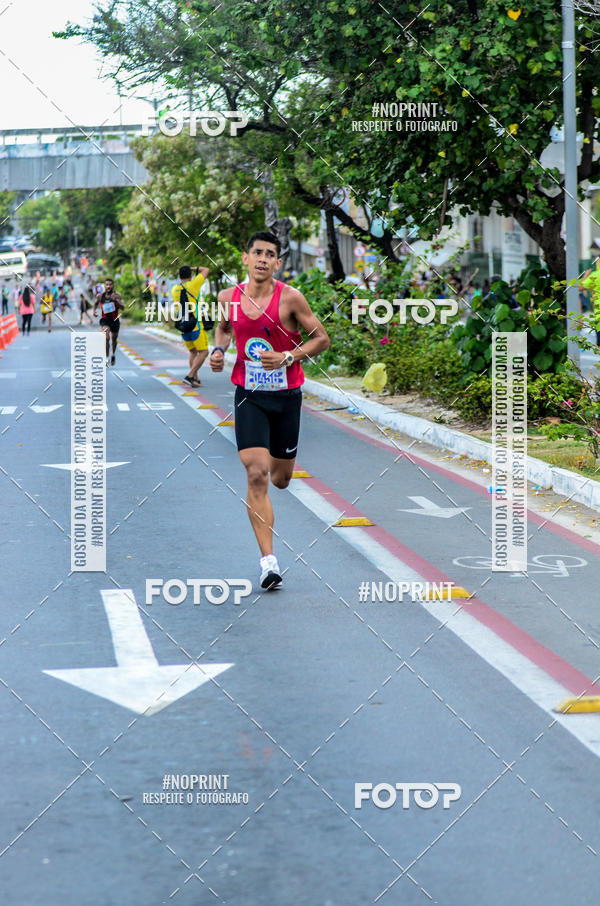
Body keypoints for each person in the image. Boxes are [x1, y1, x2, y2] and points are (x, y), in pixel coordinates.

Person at [210, 231, 330, 589]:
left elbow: (321, 338)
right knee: (257, 474)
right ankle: (268, 562)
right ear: (245, 258)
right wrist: (218, 351)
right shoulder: (227, 297)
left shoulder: (291, 298)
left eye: (270, 254)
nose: (262, 258)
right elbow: (223, 329)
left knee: (280, 479)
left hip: (287, 396)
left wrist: (289, 356)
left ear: (278, 263)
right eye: (257, 252)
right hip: (249, 395)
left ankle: (282, 468)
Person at [171, 264, 211, 386]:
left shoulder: (174, 289)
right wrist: (193, 268)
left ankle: (195, 379)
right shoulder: (193, 284)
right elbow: (206, 269)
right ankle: (189, 376)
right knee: (204, 352)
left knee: (193, 352)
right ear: (191, 275)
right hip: (195, 326)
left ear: (179, 276)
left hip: (183, 326)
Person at [93, 277, 124, 365]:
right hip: (105, 320)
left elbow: (123, 307)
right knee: (106, 338)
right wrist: (94, 311)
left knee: (114, 339)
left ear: (113, 285)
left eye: (110, 284)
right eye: (107, 285)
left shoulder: (117, 295)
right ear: (104, 286)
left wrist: (116, 301)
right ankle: (106, 358)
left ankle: (113, 354)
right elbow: (95, 304)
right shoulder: (100, 296)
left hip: (115, 320)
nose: (108, 286)